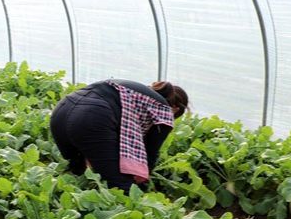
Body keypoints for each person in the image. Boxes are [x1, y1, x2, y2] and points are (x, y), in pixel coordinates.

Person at [49, 79, 188, 192]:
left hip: (61, 110)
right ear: (175, 108)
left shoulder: (135, 94)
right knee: (121, 187)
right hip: (91, 116)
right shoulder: (164, 111)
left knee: (77, 169)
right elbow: (149, 153)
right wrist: (139, 189)